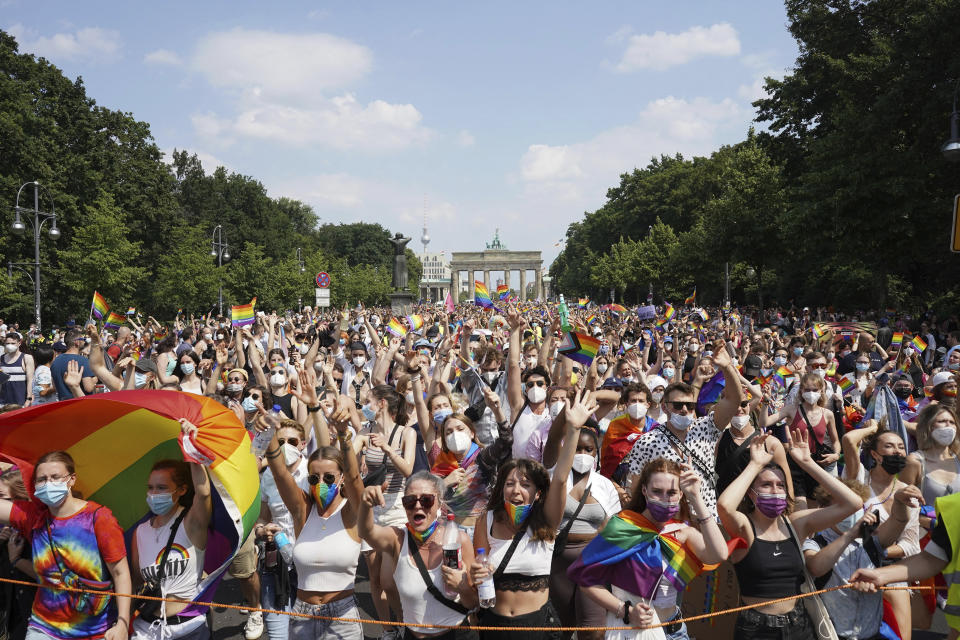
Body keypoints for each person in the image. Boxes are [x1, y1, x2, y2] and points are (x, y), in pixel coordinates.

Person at [469, 390, 597, 640]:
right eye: (509, 484)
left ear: (538, 494)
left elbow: (560, 479)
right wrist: (475, 575)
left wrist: (572, 430)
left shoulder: (546, 521)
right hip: (494, 626)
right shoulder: (486, 520)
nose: (516, 490)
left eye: (525, 485)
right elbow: (479, 572)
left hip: (537, 626)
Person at [717, 428, 863, 639]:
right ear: (751, 493)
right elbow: (725, 506)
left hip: (799, 624)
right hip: (757, 629)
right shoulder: (745, 526)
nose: (775, 490)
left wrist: (807, 464)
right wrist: (755, 464)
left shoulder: (796, 524)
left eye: (780, 486)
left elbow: (853, 503)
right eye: (766, 485)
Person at [569, 457, 729, 640]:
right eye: (657, 491)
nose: (664, 499)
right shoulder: (623, 528)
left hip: (675, 632)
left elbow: (719, 554)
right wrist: (625, 610)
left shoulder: (683, 532)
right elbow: (585, 580)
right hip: (634, 632)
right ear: (644, 490)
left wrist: (697, 497)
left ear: (681, 494)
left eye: (671, 492)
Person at [263, 393, 366, 640]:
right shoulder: (303, 511)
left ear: (340, 478)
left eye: (329, 477)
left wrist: (343, 436)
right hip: (301, 614)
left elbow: (354, 478)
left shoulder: (352, 512)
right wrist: (267, 433)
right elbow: (279, 475)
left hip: (343, 618)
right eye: (314, 478)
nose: (321, 483)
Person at [0, 451, 132, 640]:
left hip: (95, 631)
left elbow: (121, 573)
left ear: (71, 480)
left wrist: (122, 623)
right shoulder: (33, 517)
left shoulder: (99, 518)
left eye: (55, 477)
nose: (48, 484)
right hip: (43, 628)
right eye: (42, 479)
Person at [623, 341, 743, 516]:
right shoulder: (647, 441)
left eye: (690, 405)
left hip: (706, 519)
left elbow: (734, 400)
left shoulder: (706, 427)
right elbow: (633, 488)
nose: (685, 410)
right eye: (678, 405)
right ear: (665, 407)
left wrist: (727, 367)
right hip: (666, 525)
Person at [359, 471, 477, 640]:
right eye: (410, 501)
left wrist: (463, 587)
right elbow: (366, 531)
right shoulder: (397, 539)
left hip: (457, 635)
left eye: (426, 500)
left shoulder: (459, 540)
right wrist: (365, 504)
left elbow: (473, 603)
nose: (417, 506)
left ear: (439, 503)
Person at [802, 479, 921, 640]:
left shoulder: (872, 541)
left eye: (856, 508)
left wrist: (899, 501)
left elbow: (899, 521)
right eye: (844, 507)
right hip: (832, 635)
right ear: (825, 510)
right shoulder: (814, 543)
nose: (851, 513)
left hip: (872, 634)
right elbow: (816, 567)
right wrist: (850, 534)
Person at [130, 424, 212, 639]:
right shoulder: (140, 532)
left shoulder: (191, 521)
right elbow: (136, 580)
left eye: (162, 488)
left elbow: (203, 494)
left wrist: (190, 448)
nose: (154, 494)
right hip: (146, 629)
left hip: (187, 628)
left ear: (182, 490)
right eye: (150, 487)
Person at [841, 421, 921, 637]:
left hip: (890, 571)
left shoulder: (909, 493)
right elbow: (849, 440)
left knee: (901, 635)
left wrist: (879, 551)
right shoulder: (858, 480)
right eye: (890, 446)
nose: (898, 451)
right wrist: (872, 429)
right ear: (875, 455)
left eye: (901, 447)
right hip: (851, 571)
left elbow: (911, 545)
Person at [355, 385, 417, 639]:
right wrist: (347, 440)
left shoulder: (406, 433)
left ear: (381, 404)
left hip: (396, 509)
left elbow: (408, 470)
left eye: (367, 402)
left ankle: (405, 624)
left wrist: (388, 448)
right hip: (371, 507)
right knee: (375, 578)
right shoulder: (365, 429)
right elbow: (349, 450)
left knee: (390, 580)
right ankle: (388, 629)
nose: (363, 407)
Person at [548, 426, 621, 640]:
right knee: (559, 627)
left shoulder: (605, 485)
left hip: (593, 563)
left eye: (588, 449)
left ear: (595, 453)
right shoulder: (555, 479)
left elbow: (614, 526)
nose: (582, 454)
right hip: (558, 562)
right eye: (576, 449)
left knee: (593, 630)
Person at [432, 389, 512, 535]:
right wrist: (444, 483)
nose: (455, 434)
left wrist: (497, 410)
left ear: (472, 433)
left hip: (479, 531)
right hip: (449, 530)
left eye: (460, 429)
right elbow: (428, 495)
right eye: (449, 432)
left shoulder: (483, 458)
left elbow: (506, 440)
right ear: (443, 438)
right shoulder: (440, 464)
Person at [49, 330, 96, 400]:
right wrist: (96, 378)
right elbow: (89, 388)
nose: (84, 341)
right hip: (81, 405)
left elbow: (55, 386)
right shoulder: (83, 361)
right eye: (82, 339)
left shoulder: (55, 361)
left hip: (63, 404)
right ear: (77, 342)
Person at [1, 333, 33, 406]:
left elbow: (30, 380)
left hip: (21, 402)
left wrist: (29, 398)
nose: (10, 345)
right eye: (8, 343)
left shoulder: (27, 358)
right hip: (3, 403)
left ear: (19, 343)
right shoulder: (1, 359)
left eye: (13, 343)